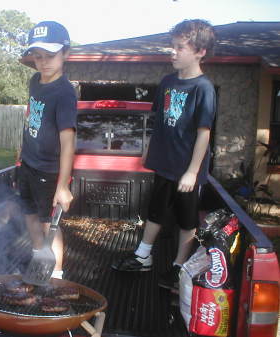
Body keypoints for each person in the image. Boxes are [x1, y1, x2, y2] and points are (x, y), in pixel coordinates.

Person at [111, 19, 216, 291]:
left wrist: (192, 172)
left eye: (180, 47)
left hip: (186, 171)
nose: (173, 52)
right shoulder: (168, 82)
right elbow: (160, 120)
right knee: (155, 211)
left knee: (186, 219)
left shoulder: (202, 88)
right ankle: (143, 256)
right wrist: (149, 149)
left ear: (200, 51)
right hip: (163, 163)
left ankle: (179, 266)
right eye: (173, 46)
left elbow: (204, 133)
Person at [18, 21, 77, 280]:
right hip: (28, 165)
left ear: (66, 53)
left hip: (48, 171)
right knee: (29, 214)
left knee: (48, 223)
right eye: (38, 56)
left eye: (50, 56)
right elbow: (32, 118)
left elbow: (68, 142)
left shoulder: (64, 93)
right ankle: (37, 258)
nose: (43, 63)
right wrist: (22, 150)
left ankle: (56, 276)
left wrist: (63, 186)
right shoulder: (34, 81)